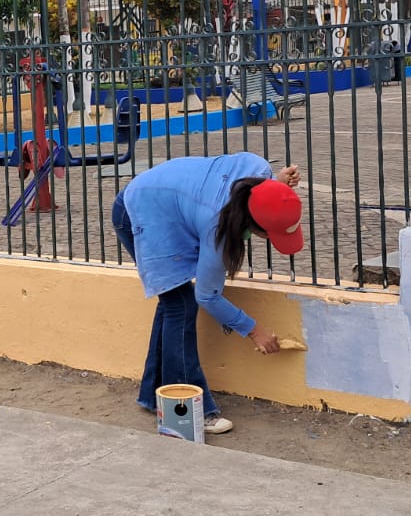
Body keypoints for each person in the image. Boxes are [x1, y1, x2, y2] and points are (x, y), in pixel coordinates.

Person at [111, 153, 304, 435]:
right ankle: (187, 411)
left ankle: (156, 396)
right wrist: (254, 330)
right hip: (140, 210)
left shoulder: (259, 170)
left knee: (174, 302)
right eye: (270, 235)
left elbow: (255, 196)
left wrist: (276, 187)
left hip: (158, 198)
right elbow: (208, 295)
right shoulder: (218, 229)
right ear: (255, 228)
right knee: (181, 304)